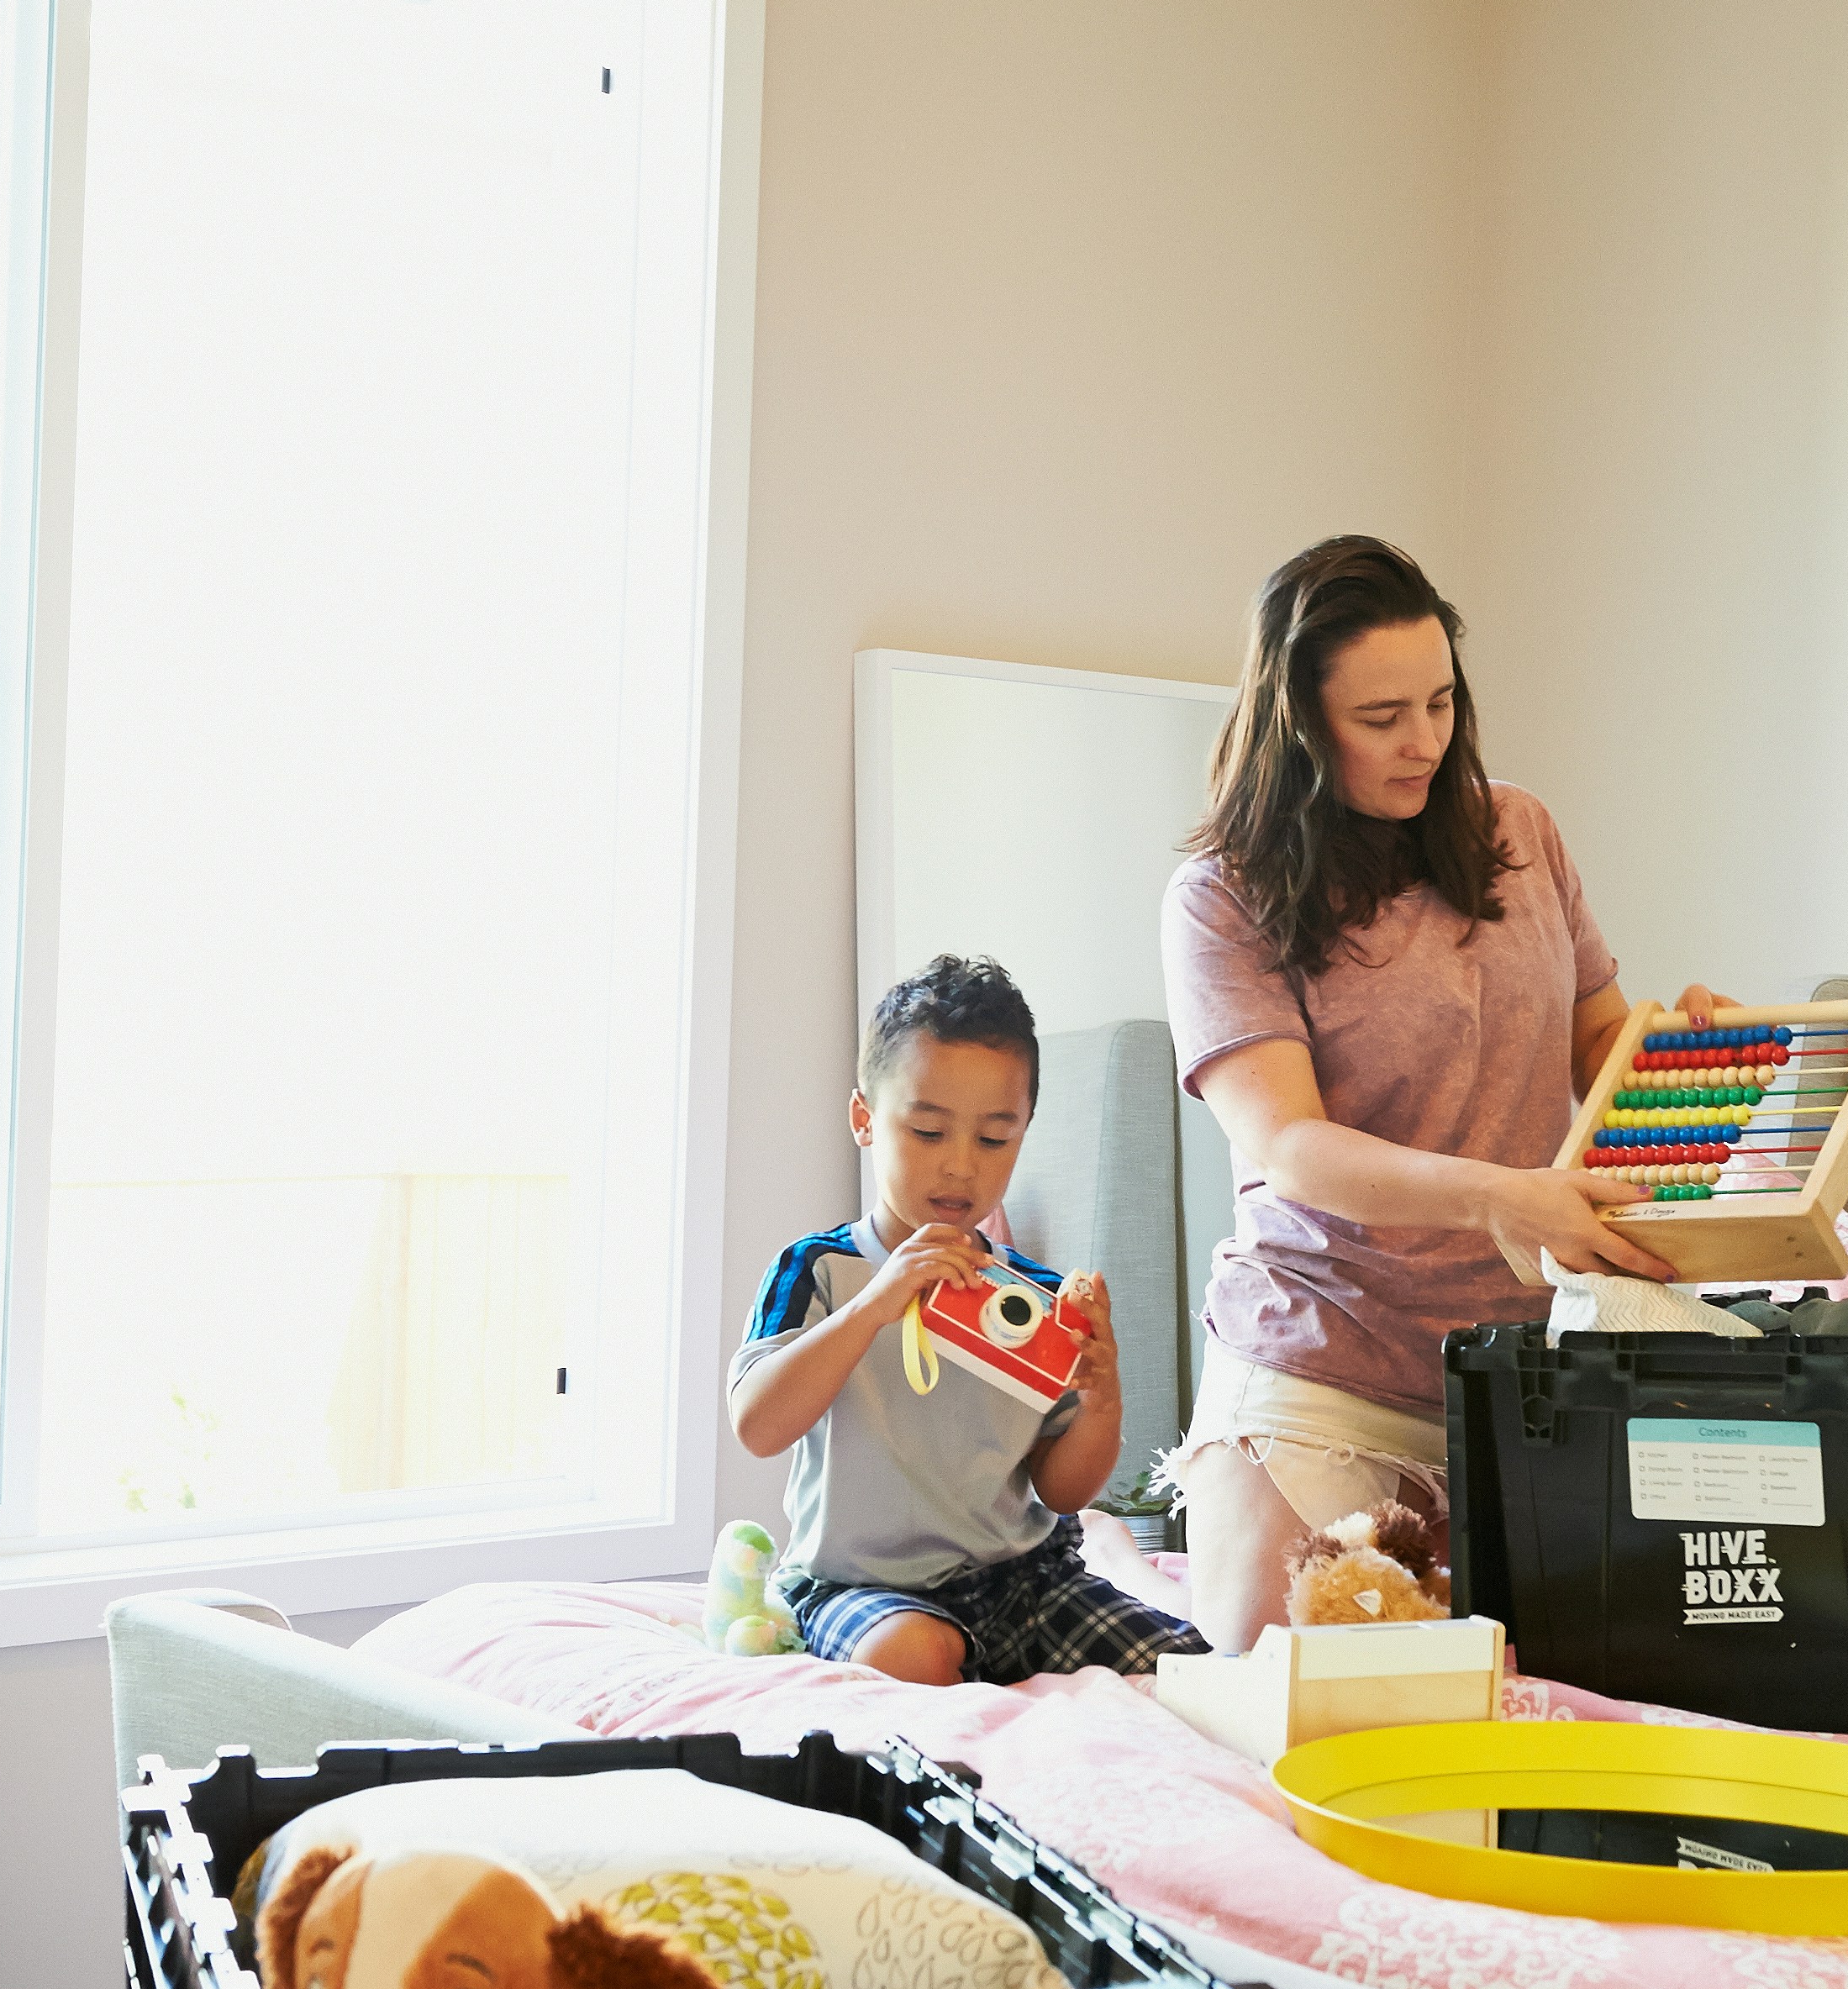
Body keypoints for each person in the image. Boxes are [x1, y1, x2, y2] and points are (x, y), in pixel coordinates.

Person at [1156, 535, 1730, 1650]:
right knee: (1278, 1667)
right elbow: (1289, 1145)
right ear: (1300, 722)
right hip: (1324, 1354)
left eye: (1441, 702)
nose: (1425, 740)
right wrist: (1497, 1198)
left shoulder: (1520, 832)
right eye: (1383, 718)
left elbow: (1598, 1040)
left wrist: (1688, 1056)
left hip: (1515, 1374)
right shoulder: (1219, 899)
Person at [729, 954, 1212, 1685]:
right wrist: (874, 1306)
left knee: (1195, 1669)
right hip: (862, 1586)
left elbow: (1061, 1491)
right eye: (927, 1132)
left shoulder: (1032, 1297)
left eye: (993, 1138)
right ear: (864, 1118)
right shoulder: (819, 1269)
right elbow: (758, 1426)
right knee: (911, 1656)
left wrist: (1103, 1397)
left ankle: (1114, 1577)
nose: (960, 1167)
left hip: (1025, 1581)